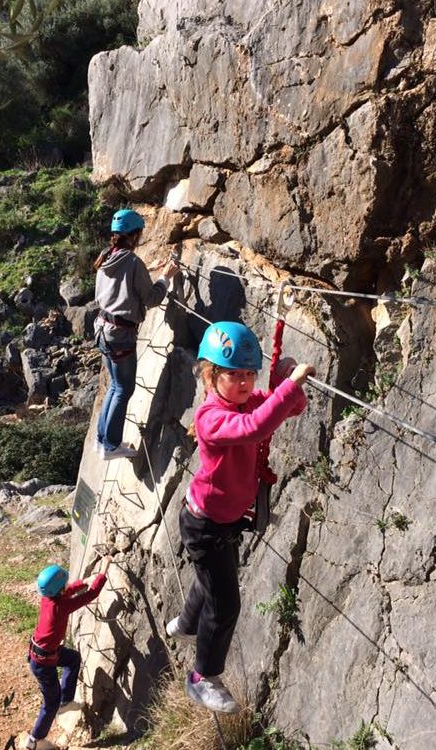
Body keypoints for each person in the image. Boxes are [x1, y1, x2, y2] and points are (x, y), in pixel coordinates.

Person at [165, 321, 315, 714]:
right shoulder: (211, 417)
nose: (246, 382)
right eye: (235, 375)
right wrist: (286, 388)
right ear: (211, 375)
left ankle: (185, 624)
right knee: (226, 602)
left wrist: (287, 384)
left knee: (212, 577)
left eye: (250, 374)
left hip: (222, 521)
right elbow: (256, 427)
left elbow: (289, 409)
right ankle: (202, 678)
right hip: (203, 524)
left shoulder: (245, 401)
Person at [94, 208, 180, 460]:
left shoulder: (107, 257)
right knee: (123, 389)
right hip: (119, 335)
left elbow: (120, 287)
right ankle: (110, 445)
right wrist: (165, 277)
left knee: (115, 386)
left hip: (103, 329)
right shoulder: (131, 262)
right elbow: (152, 298)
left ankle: (102, 441)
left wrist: (149, 269)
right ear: (134, 235)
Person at [22, 556, 112, 750]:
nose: (66, 587)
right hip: (44, 663)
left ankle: (66, 701)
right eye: (64, 584)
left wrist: (83, 582)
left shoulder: (48, 599)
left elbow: (67, 591)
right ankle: (34, 741)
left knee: (73, 659)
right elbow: (90, 595)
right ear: (59, 589)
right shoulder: (61, 607)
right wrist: (103, 571)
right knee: (50, 703)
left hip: (44, 654)